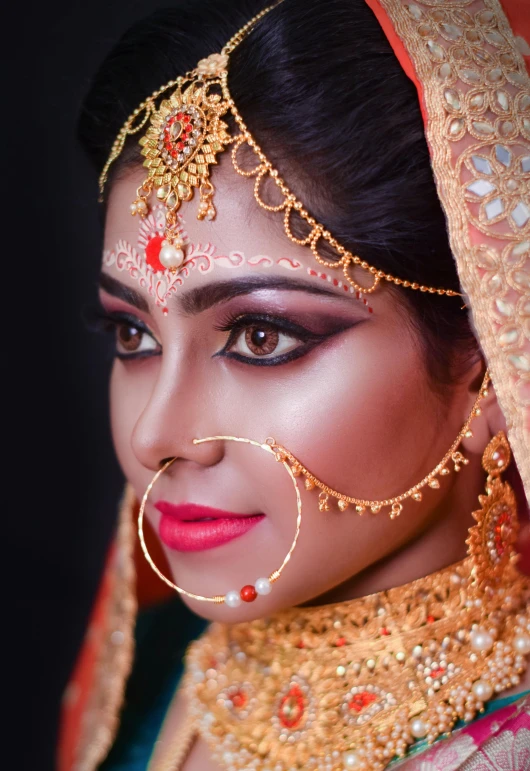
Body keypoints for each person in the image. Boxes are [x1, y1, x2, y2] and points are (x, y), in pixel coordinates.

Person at [60, 1, 530, 769]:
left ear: (493, 361)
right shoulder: (152, 677)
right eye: (133, 334)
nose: (154, 435)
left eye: (261, 337)